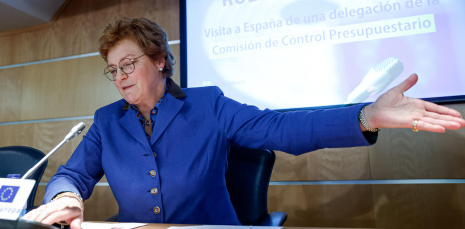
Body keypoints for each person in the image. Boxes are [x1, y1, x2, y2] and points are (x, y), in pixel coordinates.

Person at [23, 17, 465, 229]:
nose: (119, 77)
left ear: (159, 61)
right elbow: (72, 174)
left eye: (129, 64)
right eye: (112, 69)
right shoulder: (106, 121)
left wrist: (367, 115)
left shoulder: (209, 104)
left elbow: (281, 130)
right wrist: (70, 199)